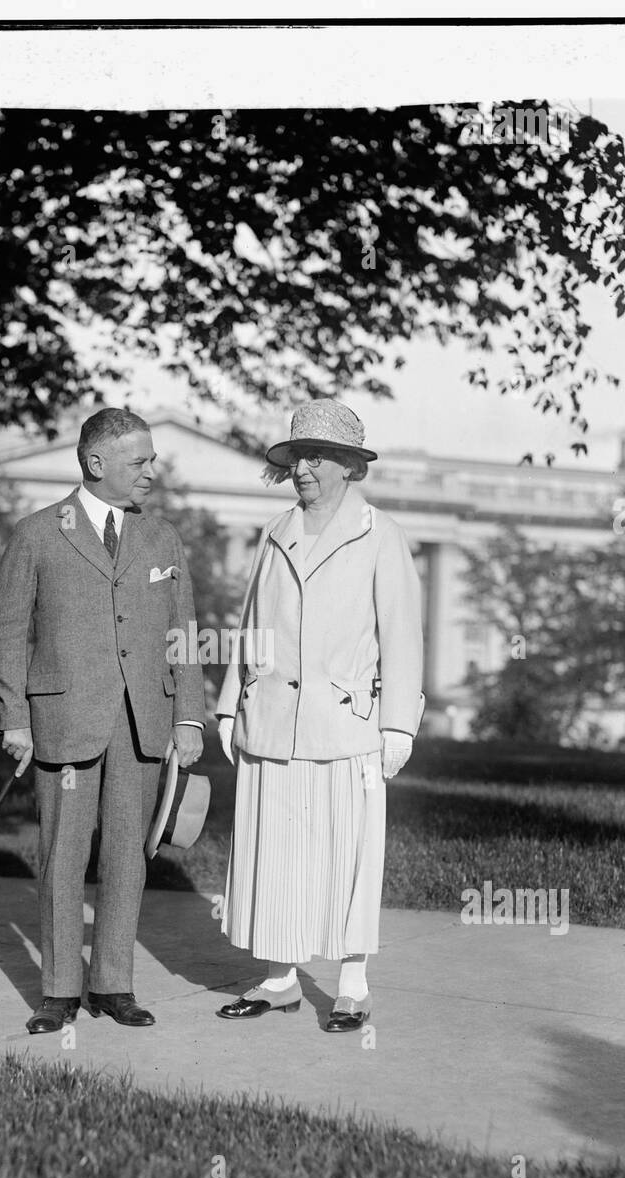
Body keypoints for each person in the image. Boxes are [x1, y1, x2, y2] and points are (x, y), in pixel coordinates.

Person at [0, 407, 205, 1035]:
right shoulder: (35, 533)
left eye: (151, 460)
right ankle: (58, 990)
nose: (151, 473)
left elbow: (182, 633)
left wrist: (189, 715)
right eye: (139, 462)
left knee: (130, 855)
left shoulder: (162, 538)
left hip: (143, 719)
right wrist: (15, 718)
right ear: (95, 463)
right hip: (64, 719)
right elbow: (6, 630)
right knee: (62, 854)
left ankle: (113, 984)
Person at [214, 400, 423, 1031]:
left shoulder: (382, 536)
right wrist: (229, 705)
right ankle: (279, 979)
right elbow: (249, 625)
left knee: (346, 856)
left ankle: (352, 986)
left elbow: (403, 638)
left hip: (346, 727)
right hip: (271, 719)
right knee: (273, 852)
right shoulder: (275, 531)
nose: (303, 468)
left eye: (317, 457)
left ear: (349, 466)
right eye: (297, 456)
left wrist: (397, 725)